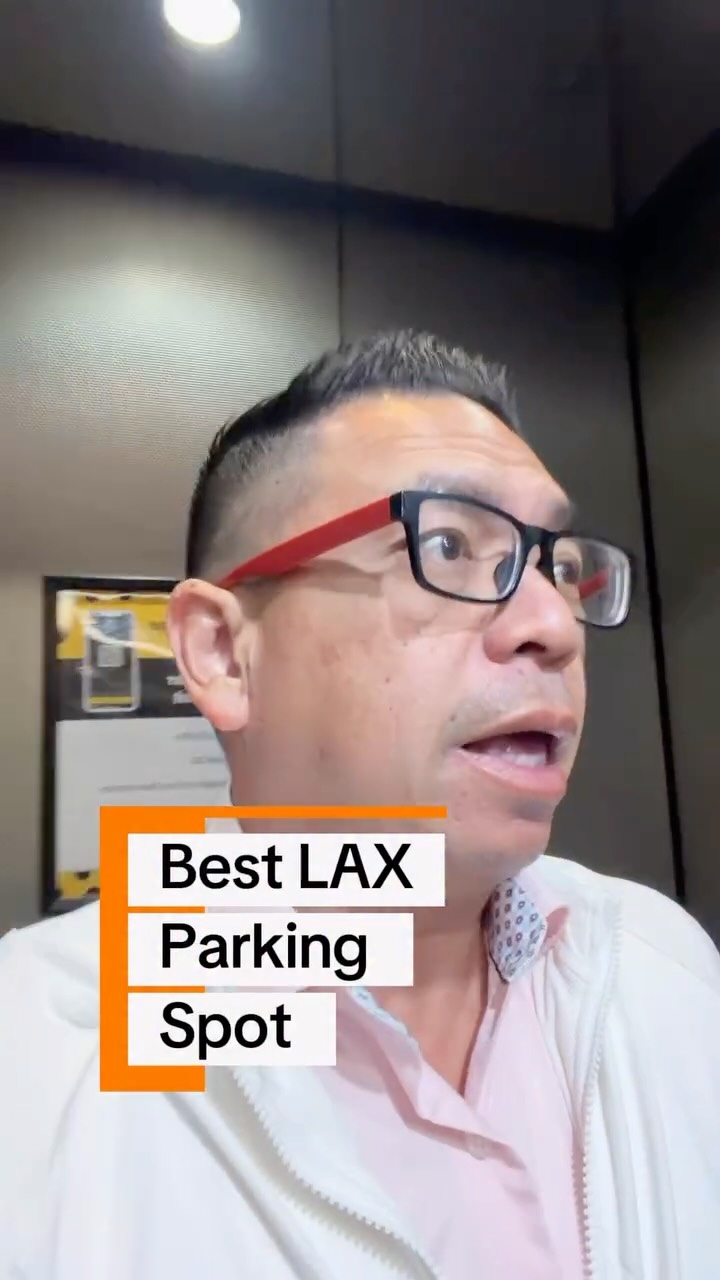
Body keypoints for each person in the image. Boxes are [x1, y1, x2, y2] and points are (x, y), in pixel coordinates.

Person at [1, 330, 719, 1280]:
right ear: (221, 654)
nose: (554, 625)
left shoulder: (659, 962)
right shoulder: (43, 1064)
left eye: (554, 565)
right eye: (449, 544)